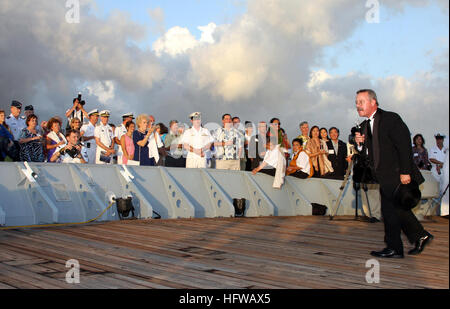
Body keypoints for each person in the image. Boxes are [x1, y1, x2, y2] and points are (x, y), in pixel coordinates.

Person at [354, 88, 432, 258]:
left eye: (361, 102)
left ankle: (407, 241)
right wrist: (360, 144)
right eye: (356, 102)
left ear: (373, 102)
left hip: (398, 174)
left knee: (396, 209)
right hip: (383, 177)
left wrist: (405, 172)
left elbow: (404, 146)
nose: (357, 105)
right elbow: (366, 154)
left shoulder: (391, 118)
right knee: (391, 211)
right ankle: (401, 244)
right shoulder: (363, 126)